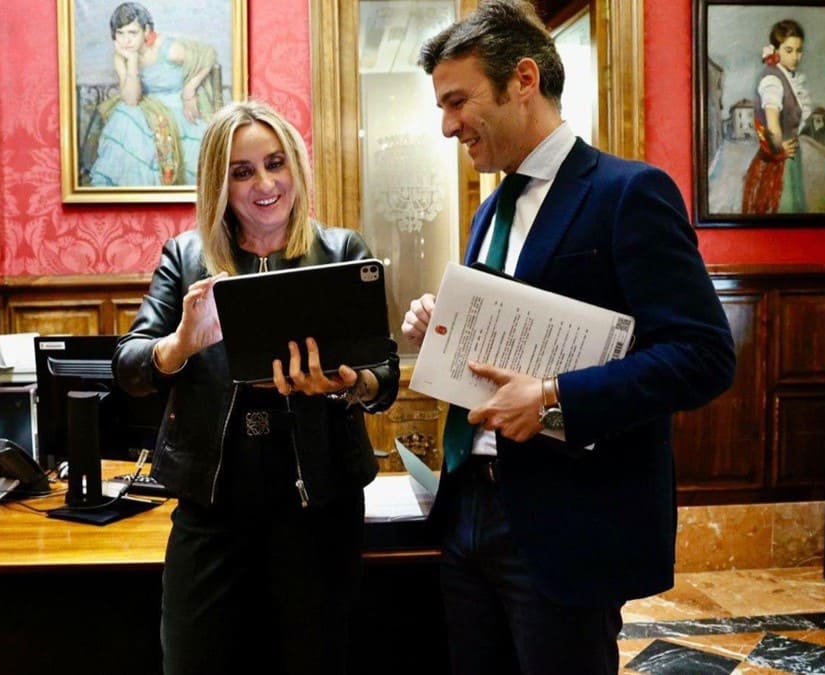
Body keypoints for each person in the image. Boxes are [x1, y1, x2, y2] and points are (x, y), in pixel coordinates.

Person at [399, 1, 736, 673]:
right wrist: (440, 325)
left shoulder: (628, 192)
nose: (446, 126)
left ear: (523, 80)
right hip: (468, 510)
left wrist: (555, 397)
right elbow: (506, 340)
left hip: (565, 527)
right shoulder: (490, 209)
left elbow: (704, 355)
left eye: (458, 101)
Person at [112, 100, 400, 675]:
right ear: (219, 184)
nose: (264, 184)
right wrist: (181, 345)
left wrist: (350, 384)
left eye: (275, 163)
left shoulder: (342, 252)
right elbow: (129, 364)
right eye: (242, 172)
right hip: (213, 509)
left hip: (318, 507)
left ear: (296, 166)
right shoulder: (187, 257)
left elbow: (385, 375)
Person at [88, 2, 218, 187]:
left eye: (132, 33)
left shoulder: (169, 49)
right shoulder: (121, 56)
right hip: (146, 107)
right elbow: (131, 99)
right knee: (125, 114)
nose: (126, 40)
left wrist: (190, 89)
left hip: (177, 108)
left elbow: (208, 55)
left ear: (146, 30)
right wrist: (132, 60)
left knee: (128, 116)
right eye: (120, 33)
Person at [741, 19, 810, 214]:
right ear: (776, 50)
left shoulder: (785, 76)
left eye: (799, 50)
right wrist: (779, 150)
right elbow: (772, 125)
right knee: (783, 208)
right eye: (789, 50)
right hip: (779, 162)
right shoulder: (772, 80)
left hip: (788, 157)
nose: (795, 56)